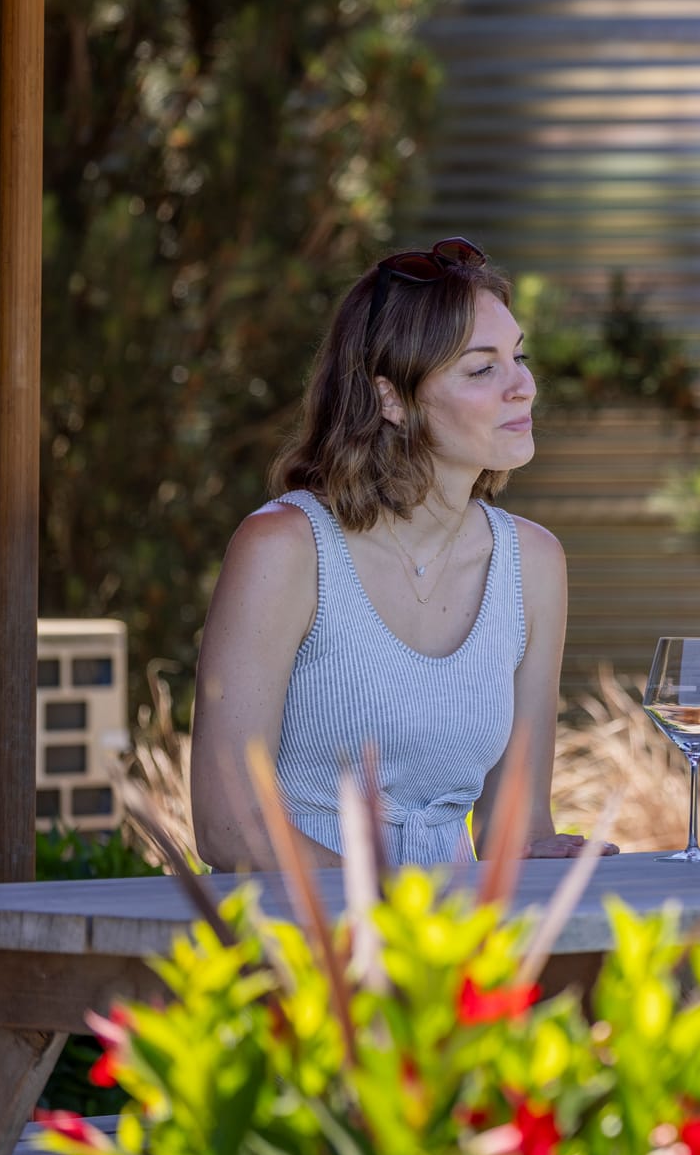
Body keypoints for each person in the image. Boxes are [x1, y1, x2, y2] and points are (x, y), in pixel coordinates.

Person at [190, 238, 611, 871]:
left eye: (518, 357)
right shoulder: (284, 549)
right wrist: (400, 917)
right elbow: (229, 828)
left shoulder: (533, 563)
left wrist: (549, 854)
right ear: (392, 398)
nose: (523, 385)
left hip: (446, 945)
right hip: (301, 943)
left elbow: (513, 829)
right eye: (481, 368)